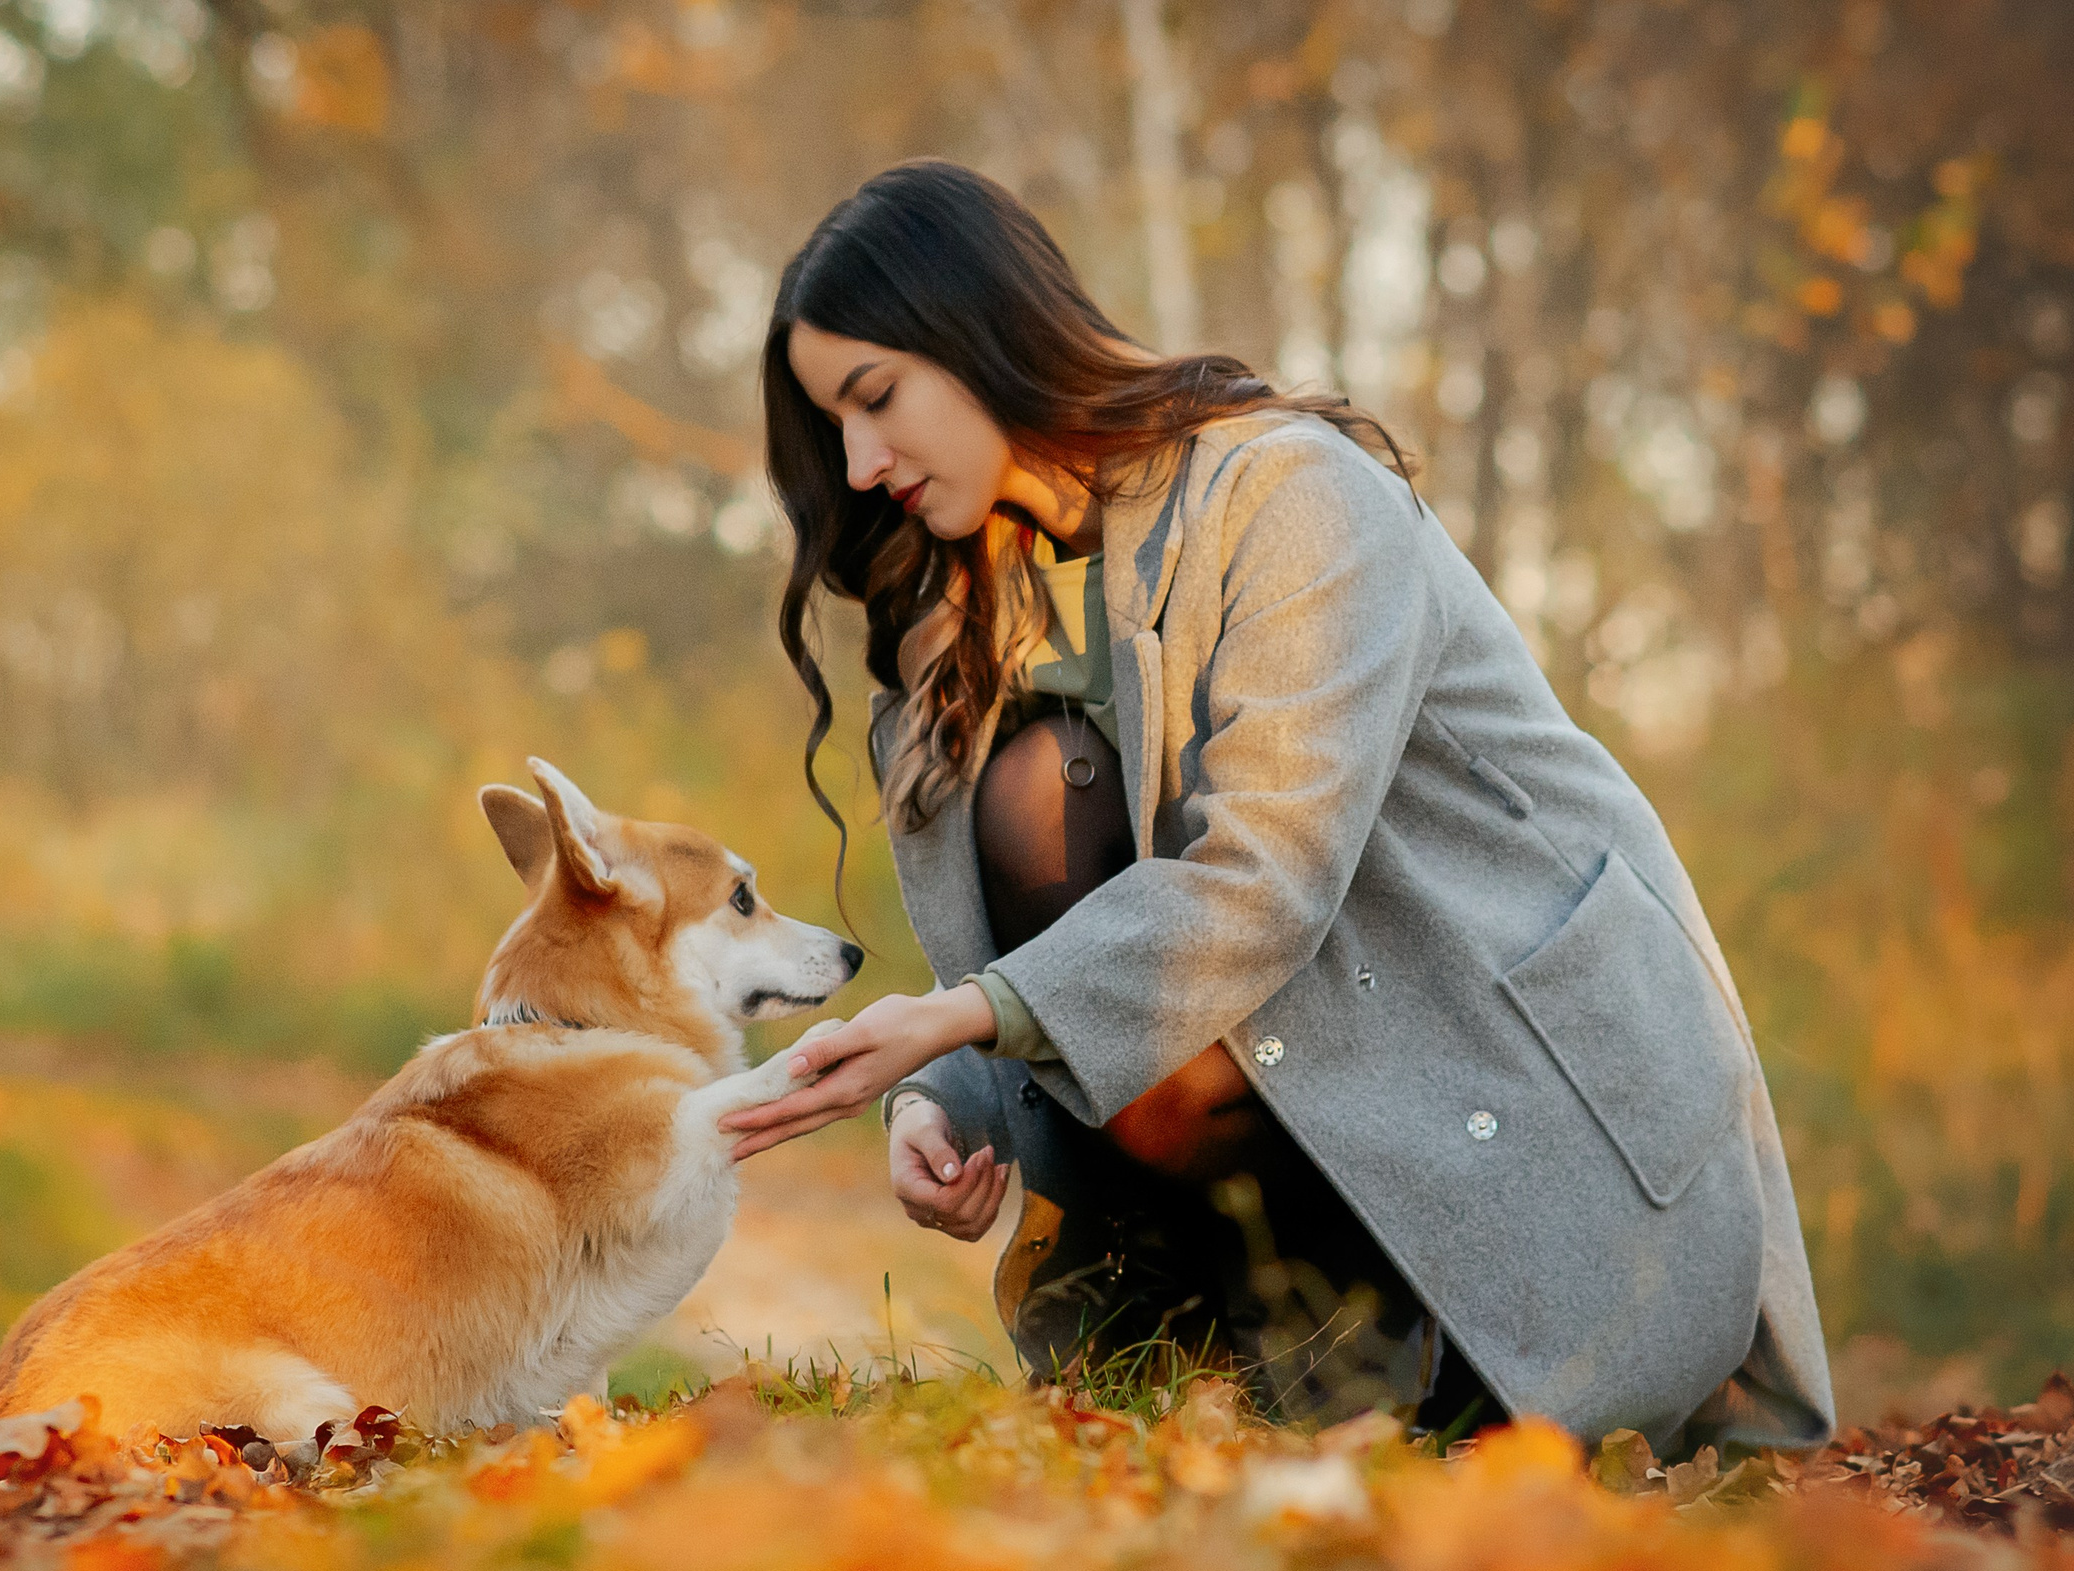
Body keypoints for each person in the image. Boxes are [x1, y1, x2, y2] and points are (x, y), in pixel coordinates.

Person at [720, 159, 1833, 1455]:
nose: (859, 465)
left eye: (876, 398)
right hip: (1254, 1190)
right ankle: (1248, 1351)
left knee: (1043, 785)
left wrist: (963, 1018)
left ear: (980, 333)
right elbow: (1042, 957)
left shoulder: (1285, 496)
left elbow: (1261, 877)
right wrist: (942, 1098)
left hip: (1504, 1115)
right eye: (835, 427)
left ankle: (1411, 1361)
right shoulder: (959, 628)